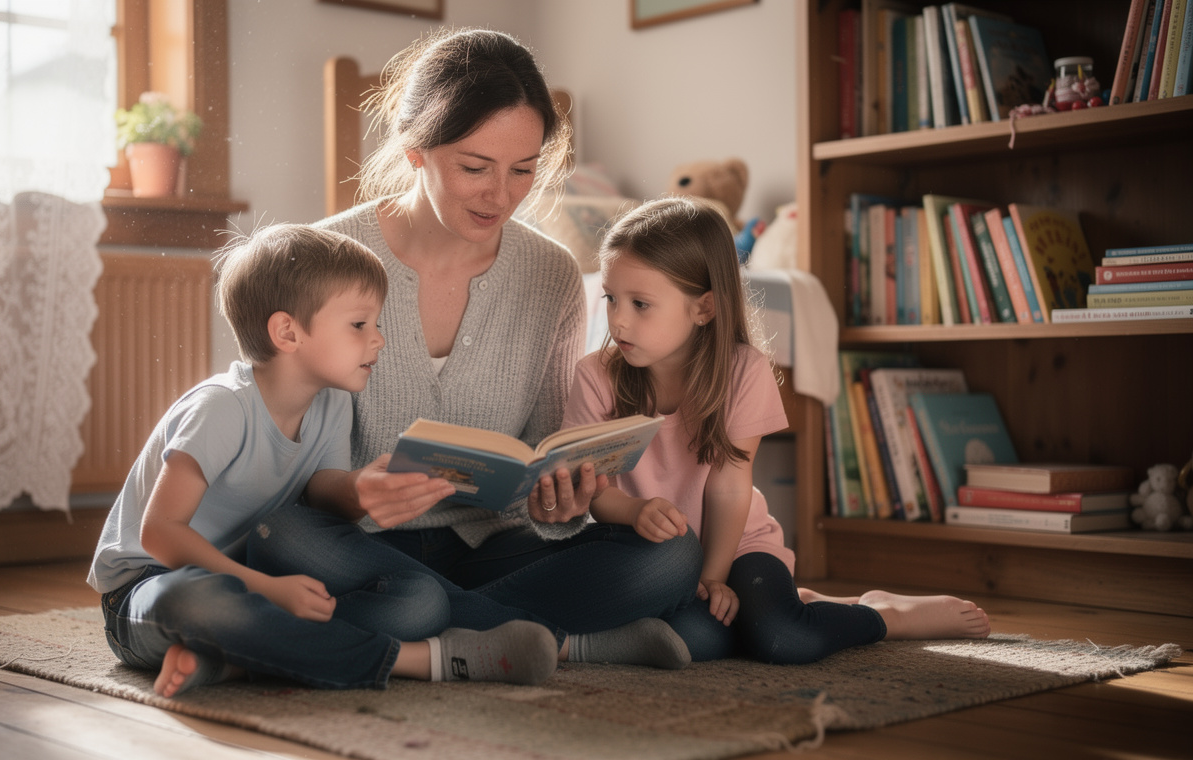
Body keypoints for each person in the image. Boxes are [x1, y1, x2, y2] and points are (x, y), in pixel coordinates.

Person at [253, 28, 701, 667]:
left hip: (491, 547)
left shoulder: (549, 274)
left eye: (524, 170)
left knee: (673, 555)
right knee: (280, 536)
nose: (502, 195)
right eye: (474, 167)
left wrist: (561, 500)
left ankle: (438, 628)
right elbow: (271, 462)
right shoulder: (321, 259)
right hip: (356, 542)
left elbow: (547, 448)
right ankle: (564, 641)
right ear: (415, 151)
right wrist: (357, 493)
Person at [87, 224, 559, 698]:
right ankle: (423, 661)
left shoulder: (331, 402)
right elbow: (160, 534)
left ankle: (237, 661)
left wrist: (366, 485)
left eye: (377, 324)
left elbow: (324, 488)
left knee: (419, 603)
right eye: (360, 325)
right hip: (149, 586)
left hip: (253, 581)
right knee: (197, 601)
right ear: (288, 332)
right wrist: (266, 590)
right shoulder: (220, 408)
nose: (378, 341)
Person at [562, 196, 992, 662]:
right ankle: (791, 600)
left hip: (738, 545)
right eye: (611, 298)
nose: (618, 319)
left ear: (703, 308)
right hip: (650, 554)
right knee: (698, 639)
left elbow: (728, 487)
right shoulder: (595, 375)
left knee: (786, 639)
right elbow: (595, 487)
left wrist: (714, 577)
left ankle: (885, 613)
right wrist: (634, 510)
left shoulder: (743, 370)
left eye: (640, 304)